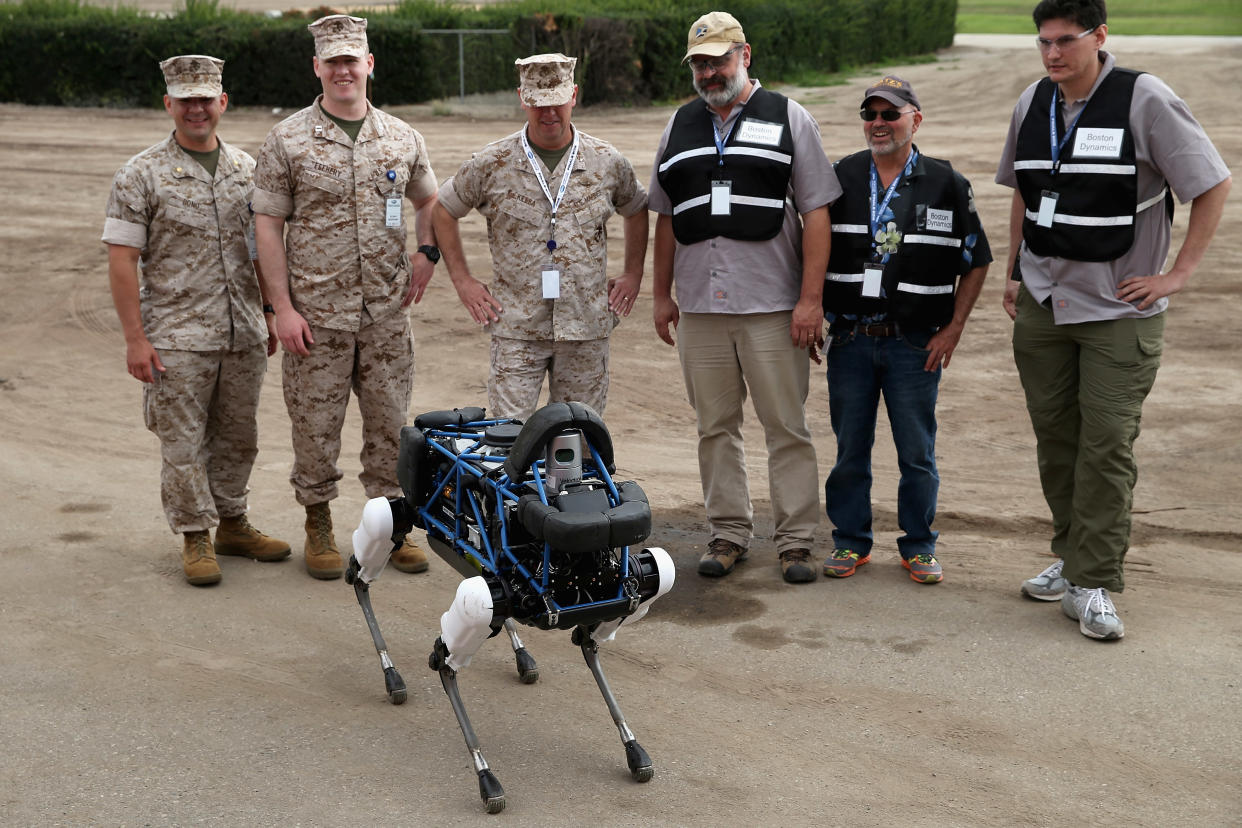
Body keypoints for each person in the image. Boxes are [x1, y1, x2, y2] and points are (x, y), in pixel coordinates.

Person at [997, 0, 1231, 639]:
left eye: (1065, 42)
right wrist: (1014, 270)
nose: (1052, 55)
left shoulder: (1143, 98)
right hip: (1045, 303)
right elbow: (1024, 189)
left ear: (1100, 36)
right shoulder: (1032, 103)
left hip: (1117, 310)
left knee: (1105, 446)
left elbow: (1210, 184)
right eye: (1043, 42)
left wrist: (1176, 275)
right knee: (1057, 441)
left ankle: (1094, 580)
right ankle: (1072, 559)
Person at [650, 11, 839, 584]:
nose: (710, 73)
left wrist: (811, 301)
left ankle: (798, 541)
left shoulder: (789, 118)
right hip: (703, 310)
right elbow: (664, 217)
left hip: (773, 308)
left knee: (786, 426)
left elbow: (818, 213)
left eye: (719, 61)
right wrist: (662, 295)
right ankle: (729, 532)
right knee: (715, 426)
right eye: (701, 64)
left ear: (746, 55)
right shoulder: (678, 126)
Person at [253, 15, 441, 580]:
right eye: (332, 61)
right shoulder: (287, 139)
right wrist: (282, 309)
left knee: (390, 425)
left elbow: (429, 199)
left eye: (351, 59)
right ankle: (318, 522)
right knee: (315, 426)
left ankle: (390, 525)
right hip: (316, 317)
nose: (342, 70)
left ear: (368, 65)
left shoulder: (402, 137)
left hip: (385, 313)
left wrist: (425, 254)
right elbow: (266, 226)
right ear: (317, 67)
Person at [102, 55, 290, 587]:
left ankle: (231, 523)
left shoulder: (248, 170)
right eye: (186, 99)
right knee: (182, 443)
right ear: (169, 105)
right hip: (177, 337)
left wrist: (272, 310)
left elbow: (260, 247)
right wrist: (135, 339)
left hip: (243, 332)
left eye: (206, 98)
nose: (197, 108)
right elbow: (122, 260)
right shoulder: (140, 174)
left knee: (238, 436)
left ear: (223, 103)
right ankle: (194, 536)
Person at [820, 76, 991, 586]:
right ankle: (850, 541)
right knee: (851, 448)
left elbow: (977, 261)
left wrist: (954, 329)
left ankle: (918, 545)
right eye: (870, 114)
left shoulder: (947, 183)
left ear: (916, 119)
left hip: (916, 343)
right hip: (850, 338)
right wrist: (812, 310)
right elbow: (809, 248)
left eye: (890, 114)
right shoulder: (840, 178)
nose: (879, 124)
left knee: (917, 452)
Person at [433, 53, 648, 420]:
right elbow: (443, 209)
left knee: (577, 443)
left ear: (574, 95)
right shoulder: (493, 162)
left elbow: (637, 207)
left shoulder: (606, 161)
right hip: (517, 328)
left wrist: (633, 274)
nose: (549, 112)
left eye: (557, 101)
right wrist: (463, 281)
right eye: (538, 103)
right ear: (522, 98)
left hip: (585, 327)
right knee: (507, 444)